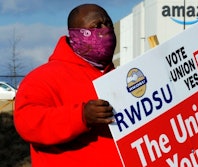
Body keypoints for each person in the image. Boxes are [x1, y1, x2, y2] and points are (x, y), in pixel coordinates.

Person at [14, 4, 123, 167]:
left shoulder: (121, 78)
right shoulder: (42, 78)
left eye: (108, 24)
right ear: (75, 35)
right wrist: (81, 117)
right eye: (96, 26)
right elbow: (27, 123)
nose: (105, 30)